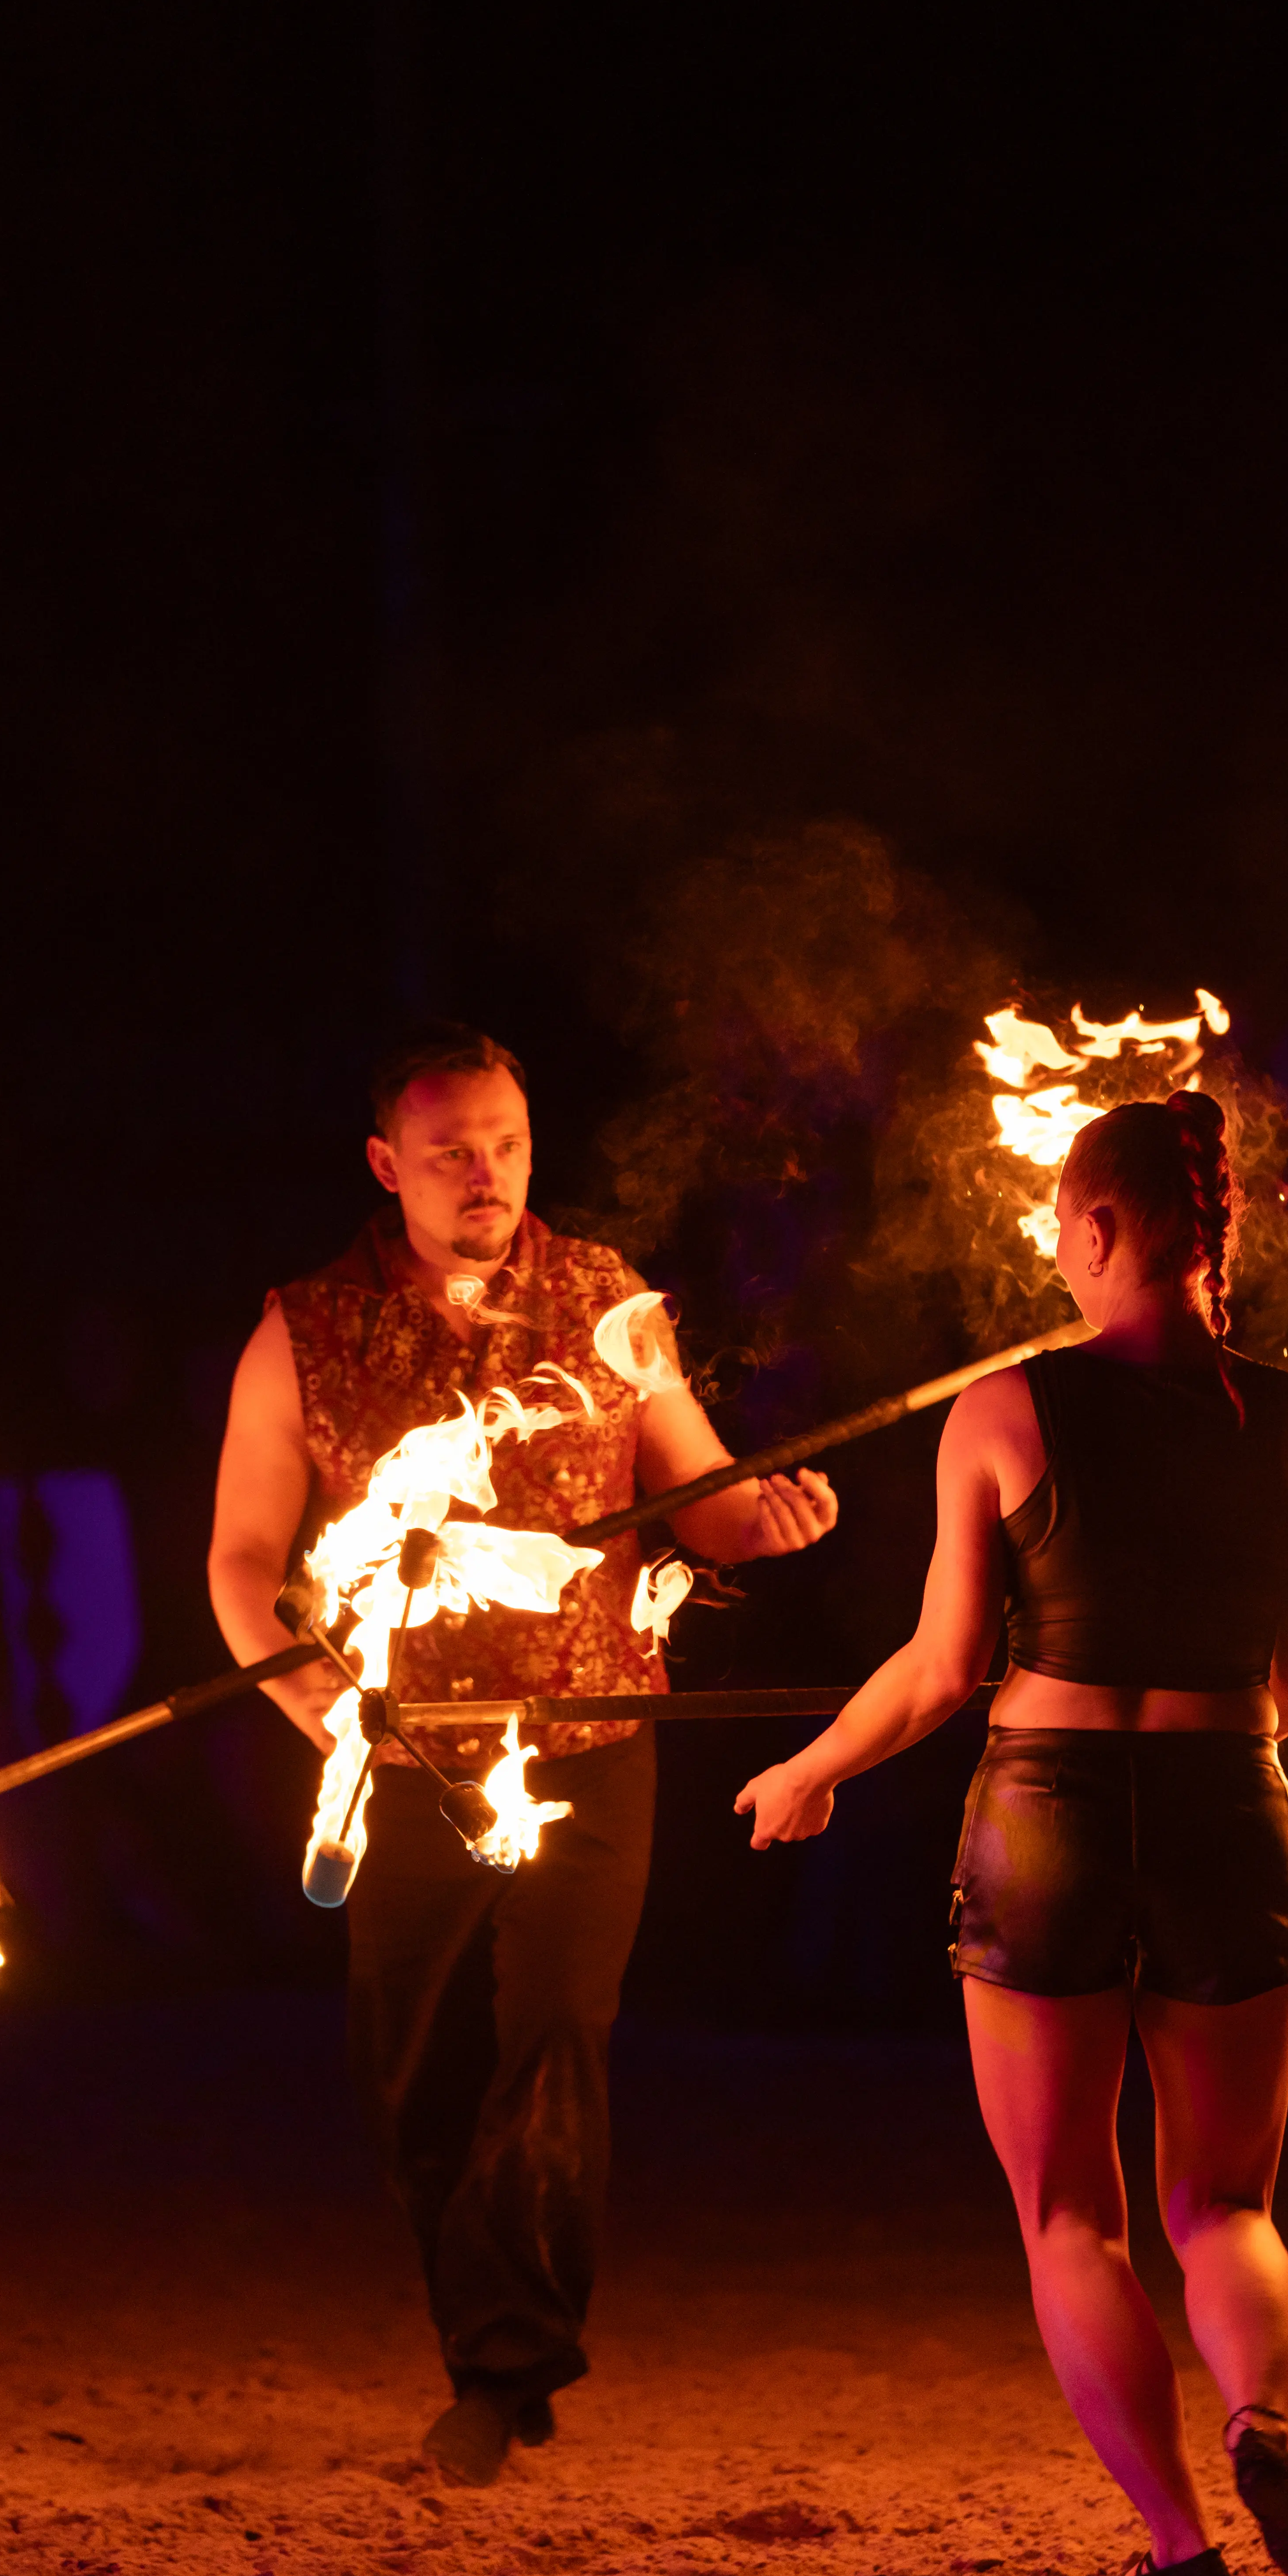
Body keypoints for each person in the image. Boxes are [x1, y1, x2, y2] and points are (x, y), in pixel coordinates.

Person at [734, 1092, 1288, 2576]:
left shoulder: (1005, 1412)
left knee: (1069, 2208)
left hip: (1047, 1811)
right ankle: (1260, 2418)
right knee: (1223, 2203)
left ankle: (1176, 2541)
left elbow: (944, 1671)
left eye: (1061, 1234)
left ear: (1096, 1229)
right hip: (1230, 1802)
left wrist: (809, 1770)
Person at [210, 1022, 836, 2485]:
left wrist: (773, 1517)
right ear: (388, 1166)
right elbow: (244, 1564)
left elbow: (703, 1505)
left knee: (557, 2026)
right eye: (449, 1152)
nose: (484, 1173)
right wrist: (317, 1702)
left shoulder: (607, 1299)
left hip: (594, 1737)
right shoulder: (303, 1328)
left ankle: (501, 2368)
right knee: (411, 2069)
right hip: (407, 1755)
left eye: (504, 1142)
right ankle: (492, 2340)